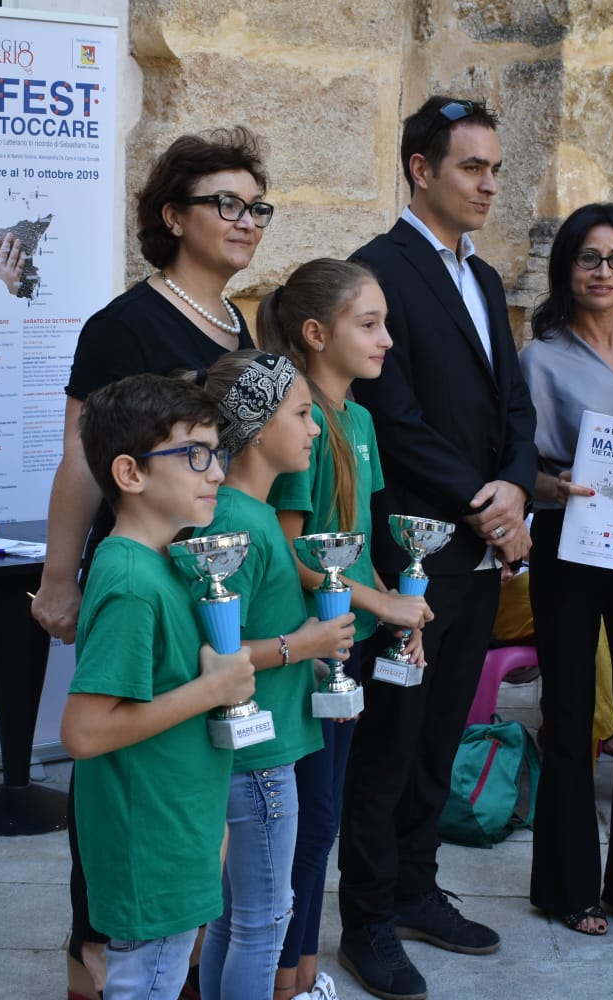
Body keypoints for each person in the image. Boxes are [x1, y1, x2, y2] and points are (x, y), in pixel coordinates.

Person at [31, 127, 272, 1000]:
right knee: (119, 777)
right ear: (173, 216)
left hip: (204, 576)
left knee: (180, 771)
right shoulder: (124, 323)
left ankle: (170, 959)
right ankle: (95, 964)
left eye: (258, 208)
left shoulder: (238, 320)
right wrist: (60, 579)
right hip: (144, 566)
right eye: (226, 204)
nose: (246, 221)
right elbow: (79, 456)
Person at [340, 96, 537, 1000]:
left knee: (440, 736)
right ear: (421, 169)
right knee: (390, 745)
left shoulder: (484, 277)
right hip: (409, 554)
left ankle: (416, 890)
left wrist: (517, 484)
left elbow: (513, 404)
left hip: (477, 553)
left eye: (495, 168)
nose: (490, 184)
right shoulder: (376, 271)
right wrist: (482, 503)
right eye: (472, 167)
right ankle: (367, 922)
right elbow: (394, 416)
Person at [260, 259, 434, 1000]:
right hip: (306, 652)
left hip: (349, 647)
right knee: (305, 821)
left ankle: (302, 970)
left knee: (324, 817)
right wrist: (380, 604)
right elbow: (291, 552)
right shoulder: (299, 423)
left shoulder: (358, 419)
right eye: (369, 324)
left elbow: (352, 545)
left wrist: (399, 608)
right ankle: (283, 977)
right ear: (314, 332)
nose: (386, 339)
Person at [59, 374, 256, 1000]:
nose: (216, 473)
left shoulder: (163, 562)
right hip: (151, 840)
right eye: (194, 455)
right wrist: (212, 690)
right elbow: (84, 732)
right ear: (130, 473)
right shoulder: (131, 583)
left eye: (217, 454)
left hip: (176, 826)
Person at [517, 202, 613, 936]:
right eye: (588, 258)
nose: (603, 272)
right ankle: (567, 885)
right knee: (571, 711)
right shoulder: (540, 356)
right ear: (566, 268)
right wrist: (555, 489)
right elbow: (521, 466)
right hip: (569, 539)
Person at [192, 351, 356, 1000]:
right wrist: (303, 642)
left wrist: (309, 659)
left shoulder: (247, 515)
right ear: (258, 429)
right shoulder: (241, 522)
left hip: (265, 745)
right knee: (264, 923)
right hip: (260, 759)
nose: (314, 428)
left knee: (236, 919)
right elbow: (216, 655)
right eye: (302, 414)